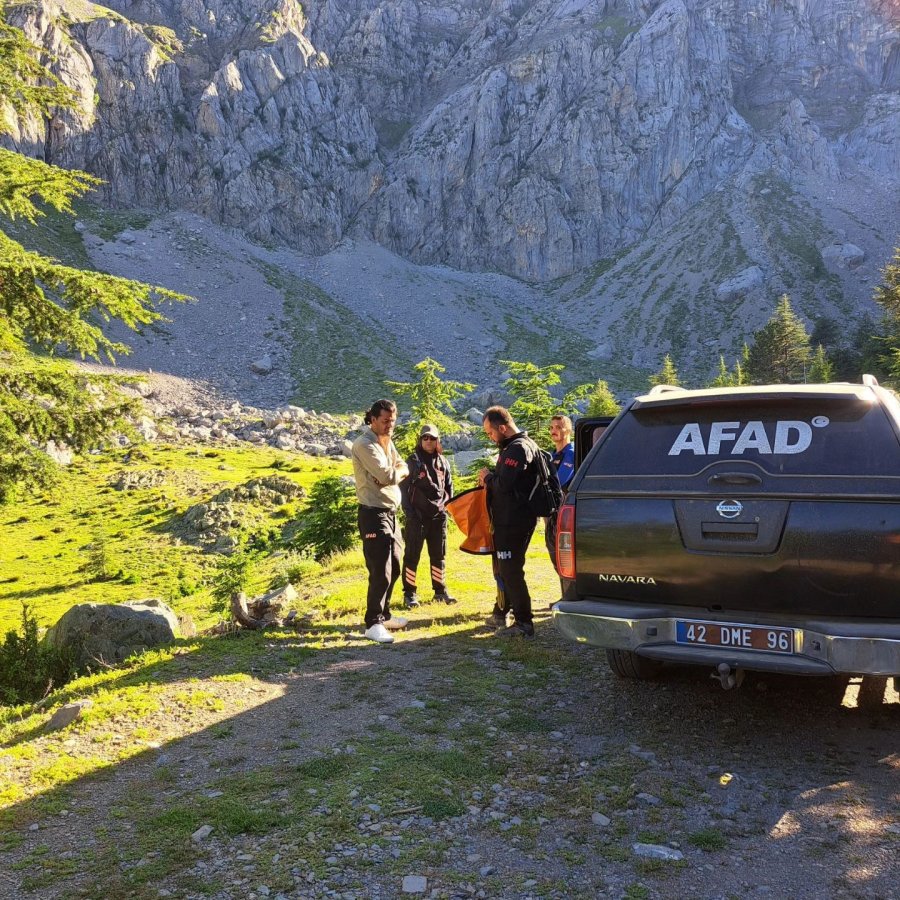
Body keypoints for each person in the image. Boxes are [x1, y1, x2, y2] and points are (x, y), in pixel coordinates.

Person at [351, 399, 409, 644]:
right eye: (385, 421)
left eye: (392, 422)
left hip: (390, 512)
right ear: (372, 419)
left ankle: (384, 615)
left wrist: (398, 471)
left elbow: (402, 467)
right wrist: (393, 474)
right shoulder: (365, 444)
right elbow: (386, 476)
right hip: (373, 513)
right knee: (380, 569)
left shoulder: (386, 441)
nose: (389, 426)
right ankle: (372, 622)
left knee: (395, 565)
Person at [478, 406, 539, 638]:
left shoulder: (517, 449)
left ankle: (524, 622)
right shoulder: (516, 446)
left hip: (514, 522)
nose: (490, 437)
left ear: (502, 427)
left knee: (511, 570)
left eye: (490, 433)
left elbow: (505, 484)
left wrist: (488, 477)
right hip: (510, 520)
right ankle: (501, 611)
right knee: (505, 569)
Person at [400, 424, 457, 608]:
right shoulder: (412, 462)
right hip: (417, 518)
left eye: (432, 438)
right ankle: (410, 594)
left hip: (438, 518)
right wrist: (410, 513)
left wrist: (445, 508)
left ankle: (440, 591)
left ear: (437, 440)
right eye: (425, 438)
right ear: (420, 440)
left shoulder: (443, 462)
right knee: (411, 556)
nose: (429, 441)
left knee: (438, 555)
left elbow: (449, 488)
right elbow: (402, 488)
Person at [545, 414, 575, 576]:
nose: (553, 430)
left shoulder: (571, 454)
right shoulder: (552, 456)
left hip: (564, 515)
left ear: (568, 430)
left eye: (558, 427)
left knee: (563, 557)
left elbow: (559, 481)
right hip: (551, 514)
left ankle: (569, 594)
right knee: (553, 552)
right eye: (551, 427)